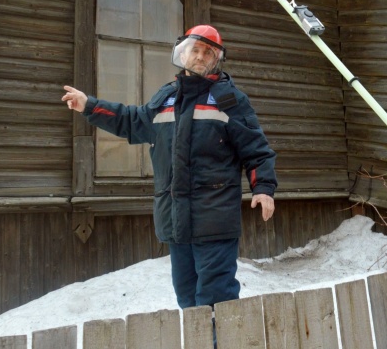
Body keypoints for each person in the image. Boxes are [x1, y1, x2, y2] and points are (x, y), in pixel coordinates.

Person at [62, 24, 277, 310]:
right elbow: (132, 121)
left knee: (216, 300)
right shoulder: (166, 98)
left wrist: (263, 187)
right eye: (195, 51)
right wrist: (89, 105)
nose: (199, 57)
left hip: (214, 221)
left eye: (207, 52)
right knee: (187, 299)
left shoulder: (229, 100)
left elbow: (257, 151)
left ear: (216, 59)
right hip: (176, 222)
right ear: (183, 54)